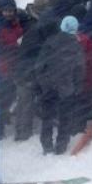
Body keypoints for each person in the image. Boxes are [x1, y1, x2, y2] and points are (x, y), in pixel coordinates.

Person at [34, 16, 85, 154]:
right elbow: (79, 69)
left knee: (47, 116)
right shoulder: (76, 46)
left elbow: (39, 66)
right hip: (66, 86)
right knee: (65, 117)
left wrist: (42, 82)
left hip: (49, 86)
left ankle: (46, 145)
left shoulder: (50, 42)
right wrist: (77, 86)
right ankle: (61, 145)